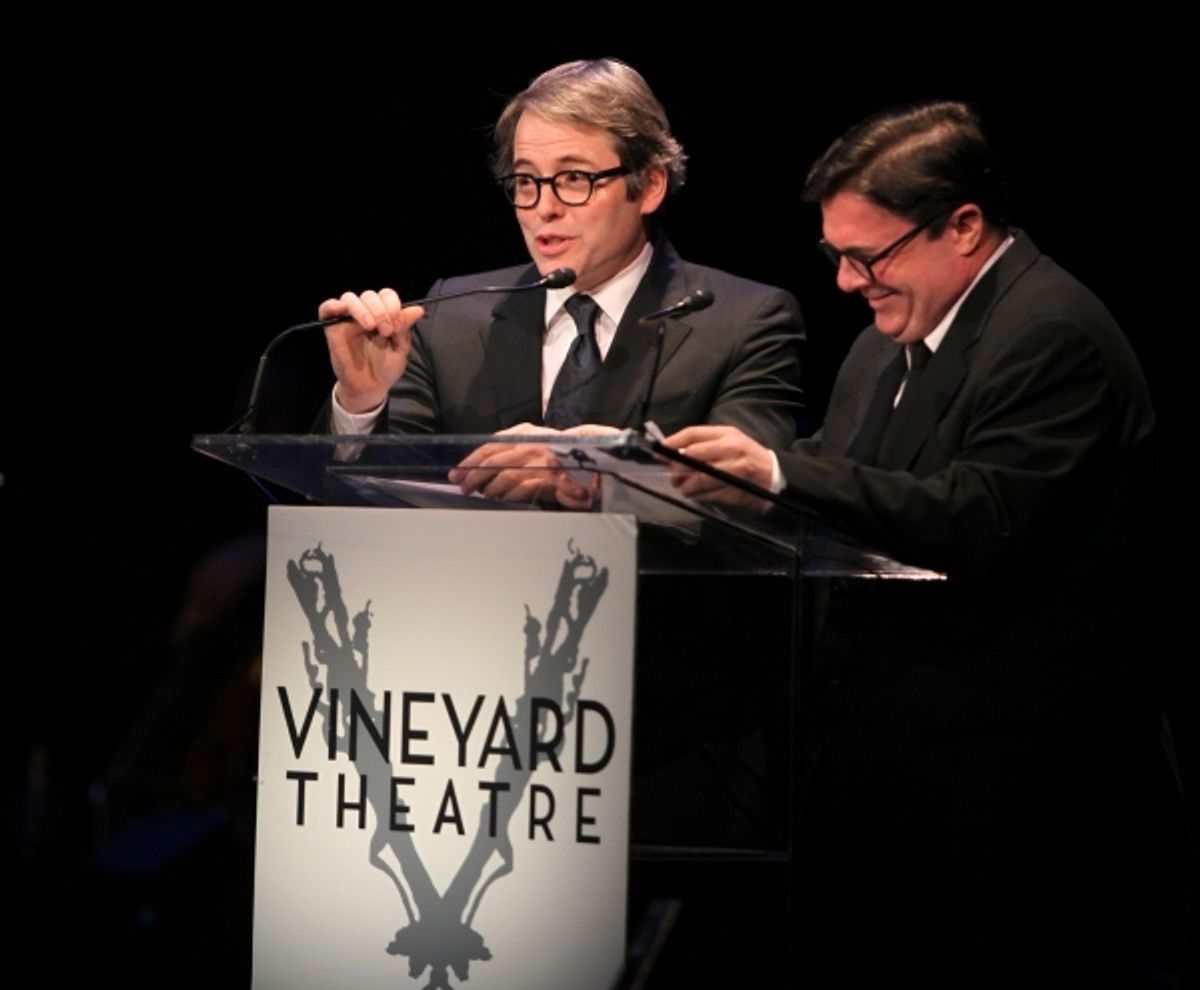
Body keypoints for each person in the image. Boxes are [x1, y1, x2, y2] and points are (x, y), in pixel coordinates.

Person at [666, 102, 1190, 986]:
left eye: (868, 256)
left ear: (965, 227)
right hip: (888, 778)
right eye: (836, 256)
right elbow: (843, 486)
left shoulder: (1051, 332)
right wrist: (667, 487)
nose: (846, 282)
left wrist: (779, 474)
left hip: (1022, 796)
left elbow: (977, 517)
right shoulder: (885, 344)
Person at [318, 58, 803, 504]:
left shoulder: (743, 321)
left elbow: (748, 494)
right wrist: (361, 404)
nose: (543, 208)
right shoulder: (449, 317)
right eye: (526, 181)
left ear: (650, 185)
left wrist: (587, 473)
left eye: (574, 178)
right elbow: (377, 498)